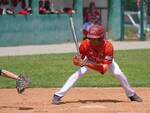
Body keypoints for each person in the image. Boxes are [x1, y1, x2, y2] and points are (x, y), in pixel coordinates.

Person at [52, 25, 143, 104]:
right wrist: (78, 61)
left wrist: (86, 64)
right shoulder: (85, 44)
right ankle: (58, 95)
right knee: (77, 74)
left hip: (104, 63)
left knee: (118, 73)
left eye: (94, 39)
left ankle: (131, 94)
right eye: (90, 38)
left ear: (101, 38)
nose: (91, 40)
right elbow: (76, 61)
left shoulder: (108, 46)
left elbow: (103, 69)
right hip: (90, 60)